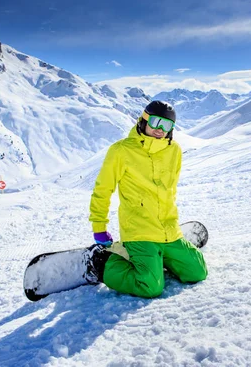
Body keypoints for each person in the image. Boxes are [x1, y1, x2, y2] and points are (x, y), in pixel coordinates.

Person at [85, 100, 208, 298]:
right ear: (143, 120)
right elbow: (103, 189)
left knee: (198, 271)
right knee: (150, 286)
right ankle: (102, 262)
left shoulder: (174, 150)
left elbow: (170, 190)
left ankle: (160, 259)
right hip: (139, 230)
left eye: (166, 125)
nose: (160, 129)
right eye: (155, 122)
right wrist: (99, 226)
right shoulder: (121, 151)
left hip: (168, 229)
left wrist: (172, 222)